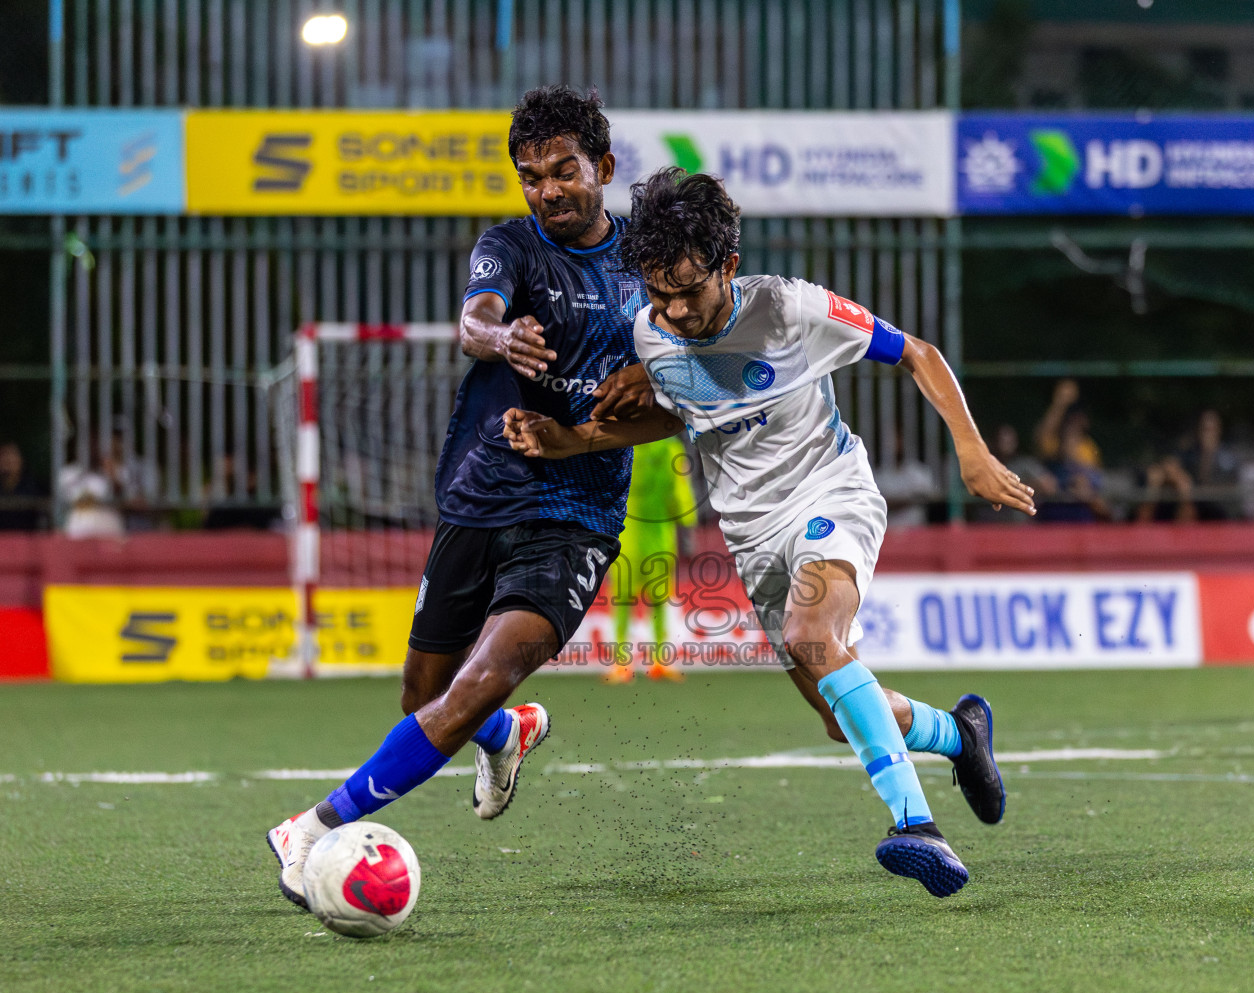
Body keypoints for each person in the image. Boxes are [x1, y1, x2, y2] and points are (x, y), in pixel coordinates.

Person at [504, 169, 1033, 897]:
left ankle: (917, 827)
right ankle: (960, 734)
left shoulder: (790, 308)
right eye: (660, 293)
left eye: (690, 289)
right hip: (751, 537)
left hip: (829, 494)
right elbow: (685, 410)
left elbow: (917, 352)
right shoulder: (650, 332)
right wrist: (574, 440)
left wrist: (971, 451)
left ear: (727, 263)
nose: (676, 310)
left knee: (813, 636)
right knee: (832, 713)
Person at [267, 86, 655, 907]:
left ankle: (312, 828)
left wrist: (624, 406)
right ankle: (506, 733)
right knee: (424, 696)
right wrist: (501, 335)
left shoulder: (646, 273)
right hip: (480, 496)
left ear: (604, 169)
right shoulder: (509, 245)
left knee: (483, 673)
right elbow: (474, 320)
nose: (547, 189)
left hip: (575, 519)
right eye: (531, 176)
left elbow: (678, 407)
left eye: (564, 171)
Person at [603, 434, 699, 684]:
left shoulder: (619, 444)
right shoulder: (669, 447)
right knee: (650, 598)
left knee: (626, 599)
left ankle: (626, 662)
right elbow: (681, 490)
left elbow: (605, 486)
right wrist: (688, 521)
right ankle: (653, 660)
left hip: (628, 531)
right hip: (651, 532)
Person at [0, 441, 44, 531]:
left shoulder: (35, 490)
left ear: (21, 461)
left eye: (11, 456)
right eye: (2, 456)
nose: (7, 461)